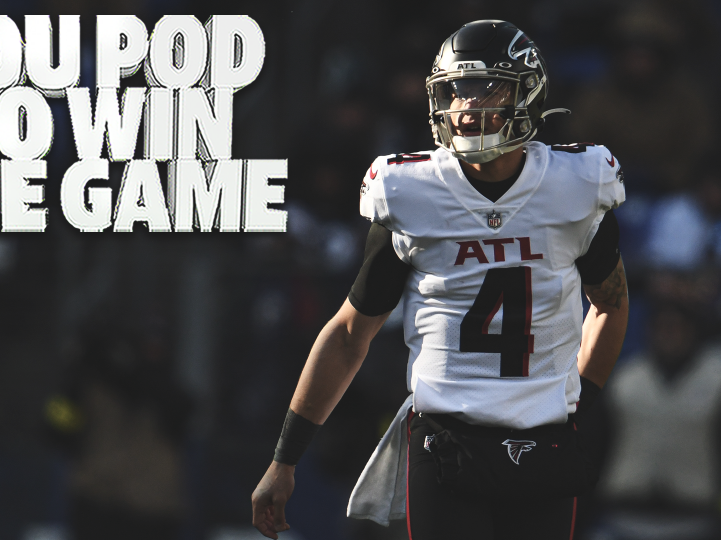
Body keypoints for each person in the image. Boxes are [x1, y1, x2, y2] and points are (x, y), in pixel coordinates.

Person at [252, 20, 629, 539]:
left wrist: (581, 401)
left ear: (529, 93)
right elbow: (347, 334)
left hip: (545, 441)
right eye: (455, 89)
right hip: (445, 441)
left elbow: (610, 304)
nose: (466, 105)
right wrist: (284, 459)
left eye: (486, 86)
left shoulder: (576, 186)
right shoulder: (413, 192)